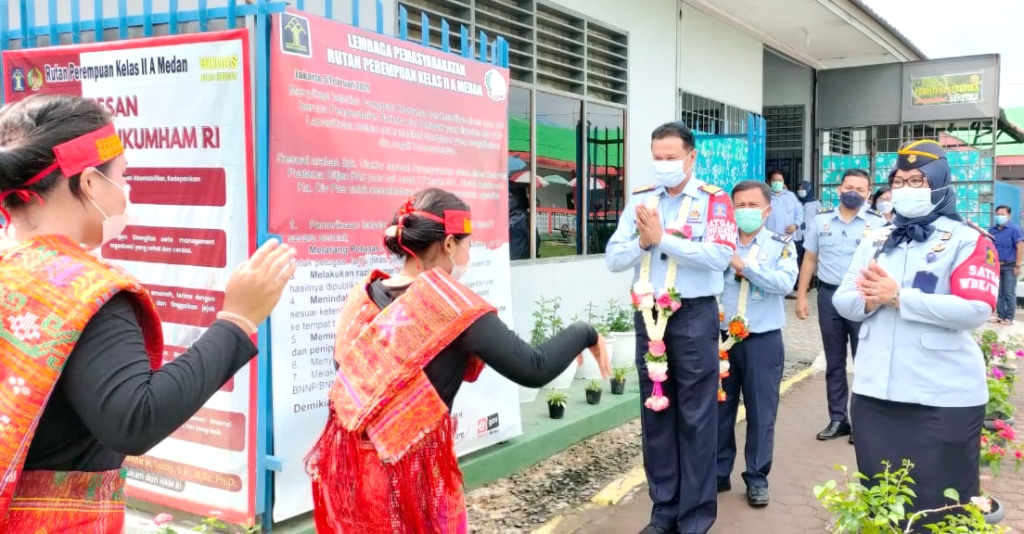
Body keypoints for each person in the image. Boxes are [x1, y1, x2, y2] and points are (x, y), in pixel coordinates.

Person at [0, 94, 296, 533]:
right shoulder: (86, 293)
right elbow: (133, 420)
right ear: (88, 184)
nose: (127, 187)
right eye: (123, 175)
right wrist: (238, 321)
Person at [306, 188, 610, 534]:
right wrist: (586, 332)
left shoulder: (361, 299)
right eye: (467, 243)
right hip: (417, 484)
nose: (469, 252)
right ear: (448, 244)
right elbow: (534, 367)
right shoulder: (452, 308)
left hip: (355, 479)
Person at [833, 139, 994, 525]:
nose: (906, 189)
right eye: (900, 181)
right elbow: (844, 299)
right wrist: (870, 301)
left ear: (940, 185)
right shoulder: (876, 237)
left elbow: (976, 309)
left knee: (942, 508)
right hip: (876, 395)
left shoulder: (969, 239)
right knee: (884, 502)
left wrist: (898, 298)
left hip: (941, 398)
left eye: (918, 180)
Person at [606, 121, 738, 534]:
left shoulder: (715, 201)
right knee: (656, 413)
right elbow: (614, 257)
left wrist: (662, 239)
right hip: (649, 317)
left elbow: (718, 256)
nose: (663, 165)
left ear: (691, 157)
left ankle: (695, 517)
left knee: (697, 417)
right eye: (657, 158)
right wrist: (643, 242)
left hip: (694, 315)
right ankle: (663, 511)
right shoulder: (642, 201)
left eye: (671, 158)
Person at [715, 180, 798, 508]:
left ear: (767, 210)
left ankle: (757, 478)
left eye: (752, 206)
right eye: (739, 205)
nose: (745, 211)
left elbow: (783, 282)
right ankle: (718, 472)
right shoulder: (719, 244)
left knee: (762, 412)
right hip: (722, 340)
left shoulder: (782, 245)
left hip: (762, 341)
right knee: (720, 408)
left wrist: (744, 265)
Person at [795, 169, 885, 443]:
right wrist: (801, 296)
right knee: (834, 362)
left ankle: (863, 422)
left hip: (863, 298)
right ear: (838, 189)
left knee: (864, 361)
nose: (853, 193)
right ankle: (838, 419)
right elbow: (809, 260)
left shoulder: (878, 223)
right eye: (849, 187)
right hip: (829, 298)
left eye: (860, 189)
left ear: (869, 193)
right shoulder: (821, 221)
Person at [989, 205, 1023, 325]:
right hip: (996, 265)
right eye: (998, 214)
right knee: (998, 291)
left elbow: (1020, 247)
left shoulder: (1015, 229)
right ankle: (1000, 315)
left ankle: (1009, 317)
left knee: (1009, 292)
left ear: (1009, 216)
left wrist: (1018, 265)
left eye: (1002, 214)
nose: (1000, 216)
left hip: (1010, 266)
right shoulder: (992, 230)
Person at [793, 180, 821, 296]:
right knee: (797, 259)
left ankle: (807, 283)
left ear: (808, 189)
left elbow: (820, 218)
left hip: (810, 236)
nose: (801, 191)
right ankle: (798, 282)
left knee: (809, 259)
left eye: (803, 188)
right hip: (798, 235)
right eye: (799, 189)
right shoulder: (795, 202)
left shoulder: (815, 203)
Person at [765, 170, 802, 240]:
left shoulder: (791, 196)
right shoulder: (765, 196)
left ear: (783, 182)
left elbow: (799, 212)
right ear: (769, 182)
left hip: (788, 237)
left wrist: (795, 225)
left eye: (780, 180)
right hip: (770, 238)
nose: (777, 183)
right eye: (775, 181)